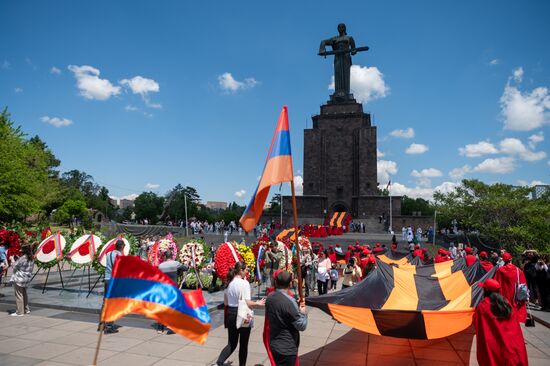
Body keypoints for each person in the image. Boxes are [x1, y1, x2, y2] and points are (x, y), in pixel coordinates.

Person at [216, 262, 265, 366]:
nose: (247, 272)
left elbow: (225, 303)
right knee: (243, 344)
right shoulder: (244, 283)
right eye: (246, 270)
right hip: (242, 314)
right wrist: (258, 303)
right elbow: (248, 302)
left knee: (231, 343)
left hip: (230, 313)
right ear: (241, 270)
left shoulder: (229, 282)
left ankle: (219, 363)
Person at [473, 279, 528, 366]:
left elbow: (478, 324)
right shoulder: (507, 303)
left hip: (494, 347)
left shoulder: (484, 305)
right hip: (512, 347)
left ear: (487, 290)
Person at [266, 271, 308, 366]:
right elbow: (302, 325)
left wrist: (295, 306)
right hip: (287, 347)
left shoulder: (270, 297)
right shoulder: (289, 302)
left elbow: (283, 313)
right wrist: (303, 312)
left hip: (274, 344)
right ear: (290, 283)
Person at [494, 252, 527, 323]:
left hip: (504, 294)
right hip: (515, 295)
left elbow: (496, 283)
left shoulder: (500, 271)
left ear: (503, 260)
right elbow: (523, 284)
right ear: (511, 259)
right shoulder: (518, 271)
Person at [100, 239, 125, 334]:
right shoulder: (120, 255)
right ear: (122, 247)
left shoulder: (109, 254)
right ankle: (109, 326)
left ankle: (102, 323)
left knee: (105, 301)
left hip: (107, 279)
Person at [9, 245, 34, 316]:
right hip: (26, 279)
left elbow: (14, 265)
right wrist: (18, 258)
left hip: (19, 278)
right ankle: (26, 309)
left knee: (19, 295)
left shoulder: (23, 258)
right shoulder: (31, 258)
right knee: (24, 294)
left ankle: (20, 312)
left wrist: (11, 259)